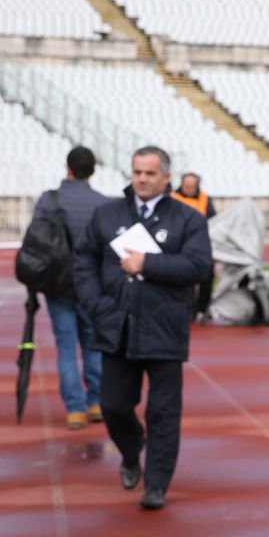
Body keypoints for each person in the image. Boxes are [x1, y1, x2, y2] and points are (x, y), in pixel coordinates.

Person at [74, 146, 212, 510]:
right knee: (114, 405)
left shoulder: (187, 219)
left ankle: (157, 484)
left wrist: (147, 263)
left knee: (163, 413)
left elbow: (198, 266)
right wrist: (95, 303)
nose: (142, 179)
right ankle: (132, 451)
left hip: (165, 328)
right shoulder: (107, 215)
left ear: (166, 177)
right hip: (115, 325)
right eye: (137, 172)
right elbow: (84, 260)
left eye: (150, 173)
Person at [32, 146, 108, 430]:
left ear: (68, 168)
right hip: (91, 285)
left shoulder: (48, 200)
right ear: (93, 170)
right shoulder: (102, 203)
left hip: (57, 283)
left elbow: (37, 240)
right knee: (93, 345)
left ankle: (74, 409)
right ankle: (96, 401)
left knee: (65, 347)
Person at [171, 172, 217, 322]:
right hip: (180, 244)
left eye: (192, 186)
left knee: (207, 277)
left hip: (202, 243)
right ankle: (188, 308)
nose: (189, 189)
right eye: (186, 186)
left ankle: (202, 308)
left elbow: (213, 220)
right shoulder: (172, 199)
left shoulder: (205, 199)